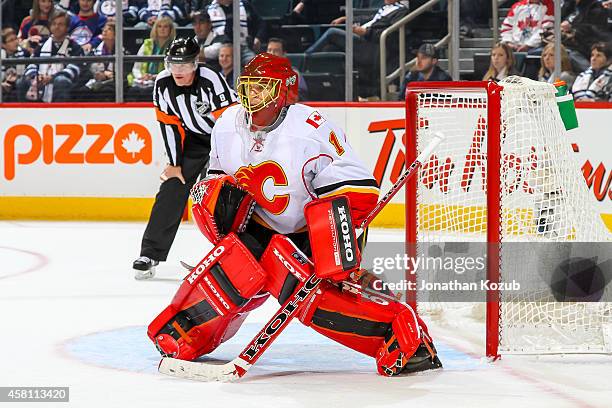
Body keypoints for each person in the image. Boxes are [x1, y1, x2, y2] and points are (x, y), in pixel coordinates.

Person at [147, 52, 443, 377]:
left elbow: (358, 191)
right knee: (232, 271)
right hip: (253, 229)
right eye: (249, 87)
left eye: (261, 88)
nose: (252, 96)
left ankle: (407, 343)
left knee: (308, 296)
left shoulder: (309, 128)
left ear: (284, 90)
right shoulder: (226, 125)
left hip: (305, 236)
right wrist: (216, 198)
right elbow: (215, 181)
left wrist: (332, 240)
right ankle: (186, 332)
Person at [132, 37, 237, 279]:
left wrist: (223, 162)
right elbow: (168, 125)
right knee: (171, 188)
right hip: (193, 141)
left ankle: (228, 256)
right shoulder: (162, 83)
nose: (178, 71)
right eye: (173, 64)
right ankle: (150, 253)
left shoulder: (211, 80)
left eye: (185, 65)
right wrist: (174, 163)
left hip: (224, 139)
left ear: (195, 64)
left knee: (219, 195)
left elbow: (230, 122)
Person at [17, 11, 84, 103]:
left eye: (61, 24)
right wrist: (35, 76)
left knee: (61, 81)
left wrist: (52, 78)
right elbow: (31, 63)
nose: (57, 27)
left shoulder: (74, 47)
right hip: (40, 81)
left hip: (61, 83)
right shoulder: (42, 45)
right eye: (54, 24)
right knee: (21, 82)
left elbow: (74, 69)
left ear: (67, 28)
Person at [305, 0, 409, 54]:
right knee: (329, 49)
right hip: (361, 37)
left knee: (332, 33)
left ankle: (304, 57)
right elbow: (369, 19)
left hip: (371, 43)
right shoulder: (385, 8)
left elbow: (391, 33)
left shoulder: (401, 11)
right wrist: (345, 18)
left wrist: (365, 32)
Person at [127, 16, 175, 100]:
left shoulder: (174, 46)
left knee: (150, 91)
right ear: (155, 29)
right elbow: (136, 67)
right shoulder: (147, 44)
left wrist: (153, 77)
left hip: (162, 81)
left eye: (165, 26)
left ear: (170, 29)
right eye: (159, 26)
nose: (162, 29)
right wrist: (141, 76)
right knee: (133, 91)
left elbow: (172, 70)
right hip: (143, 80)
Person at [207, 0, 266, 65]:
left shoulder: (245, 5)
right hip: (219, 47)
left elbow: (260, 23)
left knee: (257, 65)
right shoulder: (209, 8)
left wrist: (258, 37)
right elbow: (205, 32)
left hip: (242, 46)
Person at [559, 0, 610, 71]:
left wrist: (573, 30)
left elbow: (595, 30)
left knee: (569, 53)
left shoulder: (594, 8)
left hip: (587, 44)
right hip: (572, 43)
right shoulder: (570, 6)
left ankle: (589, 72)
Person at [84, 21, 117, 100]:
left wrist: (107, 75)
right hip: (95, 81)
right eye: (104, 29)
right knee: (82, 91)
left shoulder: (123, 52)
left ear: (116, 34)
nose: (105, 31)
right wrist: (96, 75)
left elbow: (124, 73)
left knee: (107, 90)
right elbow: (86, 70)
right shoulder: (93, 52)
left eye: (109, 29)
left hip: (113, 84)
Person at [1, 28, 30, 102]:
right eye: (11, 40)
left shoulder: (25, 53)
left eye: (16, 39)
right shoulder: (2, 54)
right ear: (3, 45)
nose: (15, 42)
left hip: (19, 86)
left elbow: (28, 74)